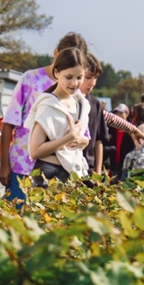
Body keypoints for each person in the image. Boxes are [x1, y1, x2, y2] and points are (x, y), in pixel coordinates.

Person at [0, 32, 88, 202]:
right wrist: (4, 163)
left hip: (59, 170)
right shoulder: (31, 79)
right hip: (23, 163)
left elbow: (83, 135)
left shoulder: (75, 93)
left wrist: (80, 141)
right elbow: (8, 122)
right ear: (56, 54)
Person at [26, 48, 91, 184]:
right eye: (69, 77)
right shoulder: (48, 105)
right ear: (56, 73)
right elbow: (35, 150)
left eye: (79, 77)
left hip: (74, 173)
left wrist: (83, 141)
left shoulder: (81, 104)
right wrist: (69, 137)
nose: (74, 83)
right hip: (49, 175)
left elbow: (76, 144)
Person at [81, 53, 144, 175]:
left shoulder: (94, 103)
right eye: (88, 77)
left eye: (95, 77)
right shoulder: (64, 101)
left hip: (87, 168)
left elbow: (106, 119)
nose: (92, 83)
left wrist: (132, 129)